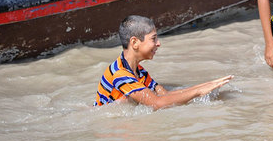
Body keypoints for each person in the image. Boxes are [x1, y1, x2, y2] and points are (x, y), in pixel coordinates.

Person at [94, 15, 233, 109]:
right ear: (135, 42)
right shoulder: (120, 74)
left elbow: (164, 95)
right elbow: (157, 103)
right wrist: (198, 91)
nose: (158, 43)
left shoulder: (138, 71)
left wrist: (206, 86)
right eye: (153, 39)